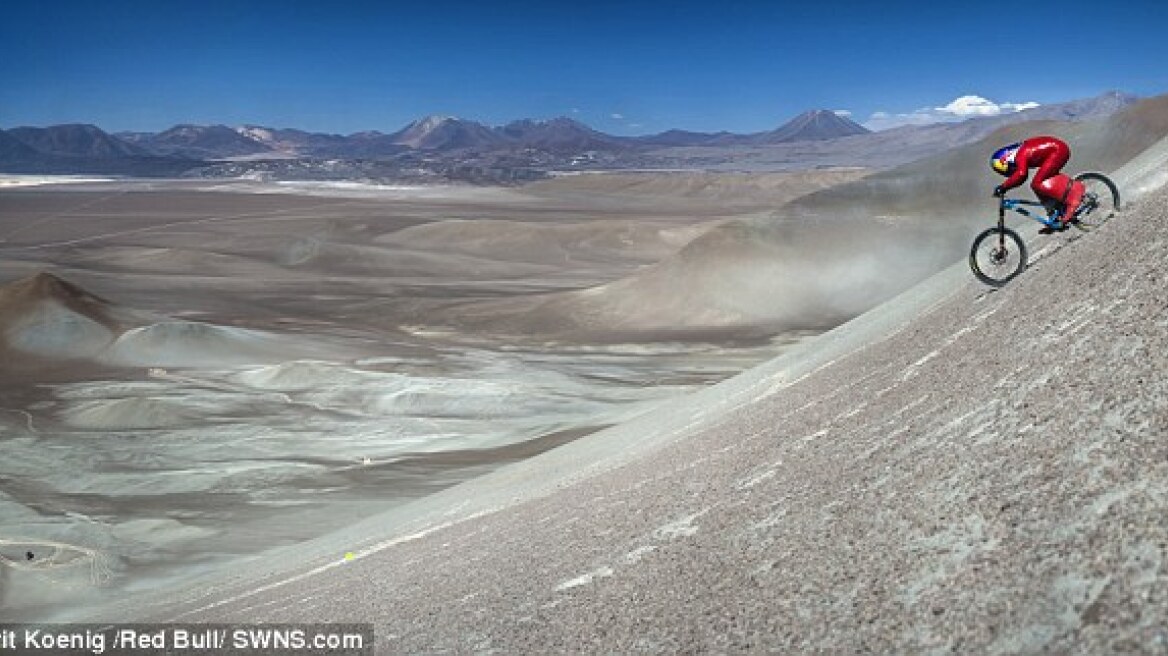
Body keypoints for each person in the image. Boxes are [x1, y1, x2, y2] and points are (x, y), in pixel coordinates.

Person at [990, 136, 1084, 232]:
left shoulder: (1020, 154)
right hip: (1057, 150)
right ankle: (1054, 216)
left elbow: (1021, 174)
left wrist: (1003, 187)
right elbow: (1021, 176)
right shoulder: (1020, 150)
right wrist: (1006, 186)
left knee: (1037, 183)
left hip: (1058, 150)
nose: (1011, 170)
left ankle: (1073, 199)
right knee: (1036, 186)